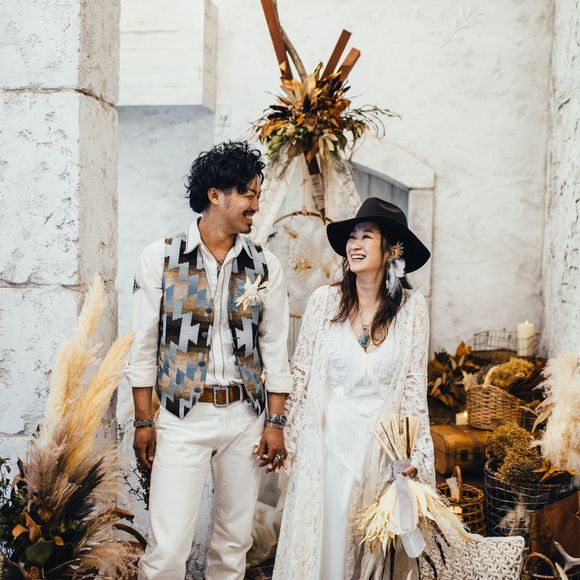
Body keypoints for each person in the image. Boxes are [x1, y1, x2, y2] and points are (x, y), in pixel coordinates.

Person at [125, 141, 291, 579]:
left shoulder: (265, 265)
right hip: (181, 416)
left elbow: (275, 348)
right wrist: (143, 421)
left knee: (234, 546)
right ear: (215, 194)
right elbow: (142, 345)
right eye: (248, 194)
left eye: (258, 194)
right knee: (168, 548)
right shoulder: (161, 257)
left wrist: (275, 423)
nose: (256, 205)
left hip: (245, 418)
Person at [273, 197, 436, 580]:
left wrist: (413, 454)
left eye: (367, 236)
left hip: (378, 453)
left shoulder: (412, 309)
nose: (355, 244)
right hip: (326, 449)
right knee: (324, 547)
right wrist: (284, 435)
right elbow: (301, 375)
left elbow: (414, 387)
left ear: (392, 250)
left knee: (369, 551)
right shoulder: (324, 301)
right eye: (352, 236)